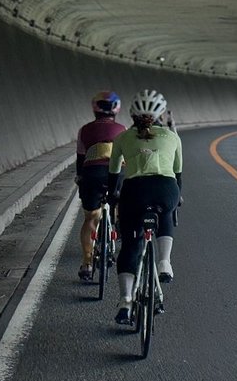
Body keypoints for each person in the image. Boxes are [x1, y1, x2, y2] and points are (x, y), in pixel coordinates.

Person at [107, 89, 182, 325]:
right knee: (167, 212)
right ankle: (164, 263)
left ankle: (126, 301)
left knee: (131, 245)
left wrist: (112, 196)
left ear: (132, 115)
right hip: (166, 189)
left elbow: (113, 173)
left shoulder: (122, 138)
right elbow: (178, 175)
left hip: (135, 192)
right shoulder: (172, 137)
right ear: (161, 114)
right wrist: (177, 198)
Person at [75, 91, 125, 281]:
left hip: (92, 174)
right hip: (117, 174)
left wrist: (80, 177)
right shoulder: (122, 129)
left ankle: (87, 263)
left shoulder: (85, 130)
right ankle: (117, 226)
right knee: (120, 200)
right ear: (116, 109)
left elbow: (80, 158)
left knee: (90, 217)